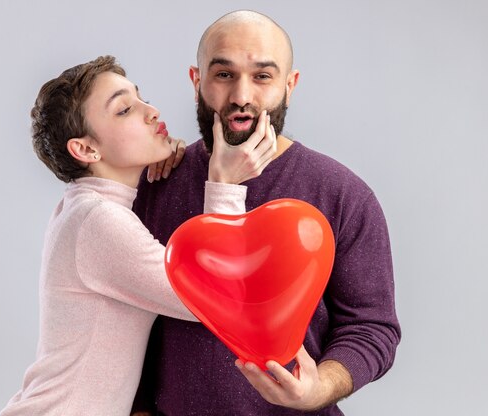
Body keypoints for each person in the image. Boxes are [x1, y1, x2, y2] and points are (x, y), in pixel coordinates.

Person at [132, 10, 402, 416]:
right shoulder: (155, 184)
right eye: (224, 74)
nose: (242, 96)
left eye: (262, 77)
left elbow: (371, 328)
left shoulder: (344, 195)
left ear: (289, 87)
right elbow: (128, 318)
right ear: (196, 81)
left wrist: (317, 388)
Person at [0, 55, 278, 416]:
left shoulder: (84, 209)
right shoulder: (98, 221)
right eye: (125, 109)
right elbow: (218, 301)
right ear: (85, 149)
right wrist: (224, 183)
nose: (152, 111)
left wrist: (162, 157)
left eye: (140, 97)